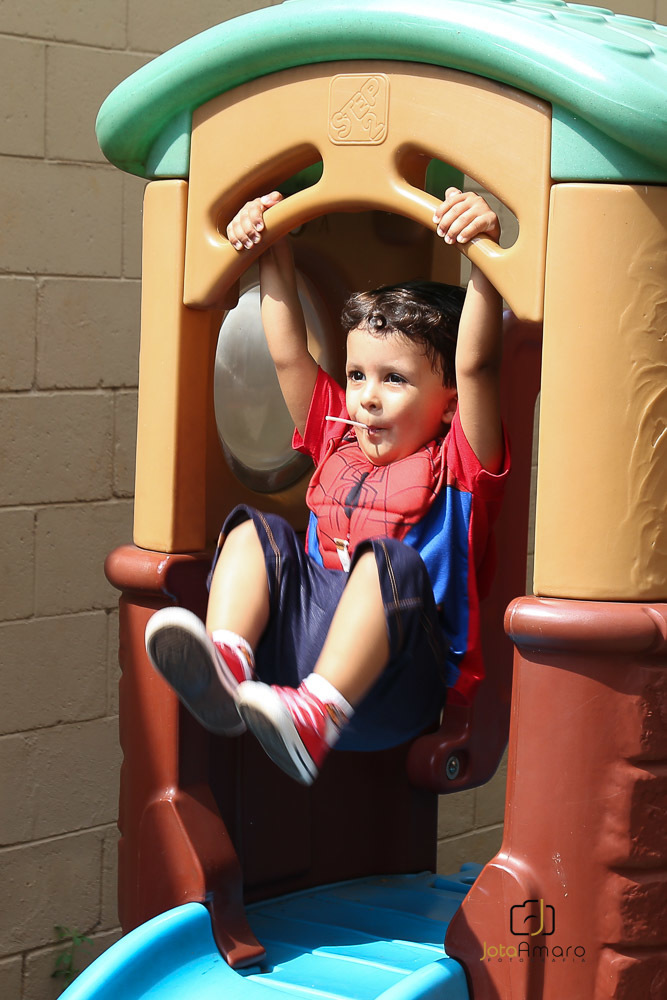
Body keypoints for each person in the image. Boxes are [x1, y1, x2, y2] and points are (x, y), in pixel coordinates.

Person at [145, 187, 509, 786]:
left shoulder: (461, 467)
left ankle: (321, 712)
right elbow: (289, 355)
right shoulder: (337, 436)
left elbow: (476, 365)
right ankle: (228, 664)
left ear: (449, 404)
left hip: (396, 685)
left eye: (395, 379)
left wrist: (483, 257)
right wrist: (272, 244)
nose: (367, 396)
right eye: (357, 374)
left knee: (389, 562)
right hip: (295, 668)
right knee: (254, 530)